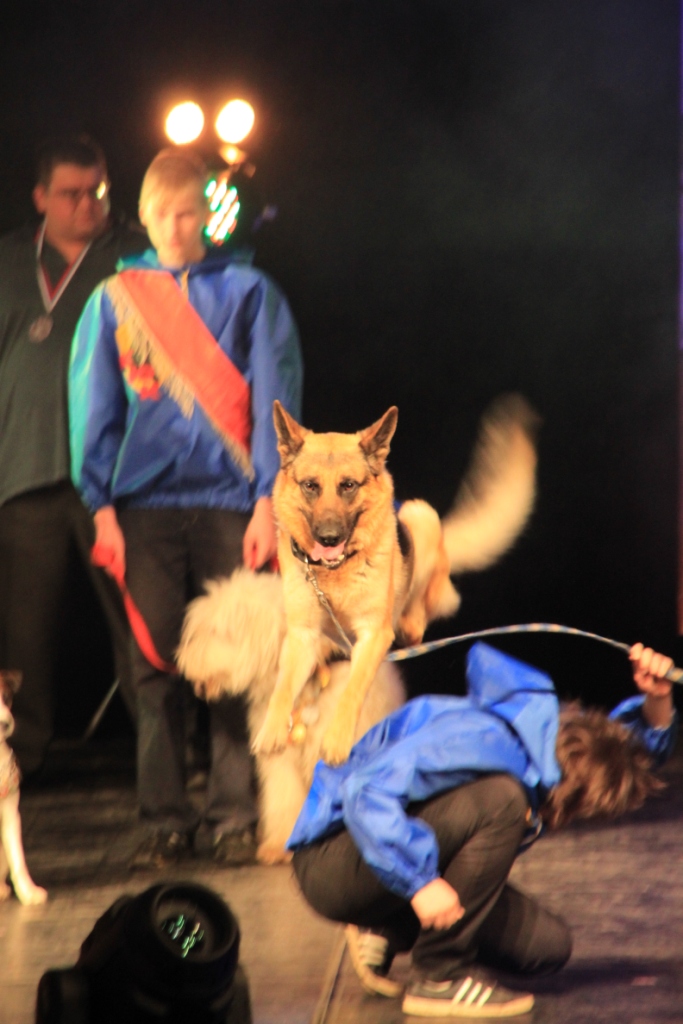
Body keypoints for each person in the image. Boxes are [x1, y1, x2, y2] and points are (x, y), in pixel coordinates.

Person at [69, 148, 303, 869]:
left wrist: (268, 501)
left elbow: (276, 401)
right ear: (142, 217)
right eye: (163, 214)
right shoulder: (115, 297)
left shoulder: (250, 291)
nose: (175, 226)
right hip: (143, 506)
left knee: (237, 662)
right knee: (153, 666)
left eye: (188, 213)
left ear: (208, 215)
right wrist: (100, 508)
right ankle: (165, 817)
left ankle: (234, 813)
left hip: (231, 501)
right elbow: (94, 409)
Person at [288, 641, 677, 1018]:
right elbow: (365, 793)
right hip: (332, 860)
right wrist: (420, 883)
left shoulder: (546, 750)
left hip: (384, 861)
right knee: (504, 802)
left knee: (546, 947)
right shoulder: (482, 741)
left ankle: (388, 921)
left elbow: (624, 754)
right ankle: (438, 976)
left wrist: (657, 701)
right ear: (571, 795)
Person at [0, 135, 148, 776]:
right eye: (71, 193)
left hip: (112, 478)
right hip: (23, 469)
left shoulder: (136, 255)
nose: (87, 204)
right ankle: (17, 764)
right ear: (41, 198)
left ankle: (163, 758)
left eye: (97, 191)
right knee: (22, 634)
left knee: (138, 623)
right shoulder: (9, 261)